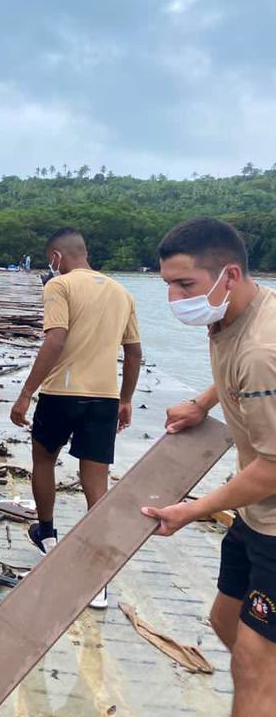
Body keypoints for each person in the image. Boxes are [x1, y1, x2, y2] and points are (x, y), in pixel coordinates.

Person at [143, 218, 276, 716]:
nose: (175, 299)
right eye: (168, 285)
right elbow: (235, 374)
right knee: (226, 621)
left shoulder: (265, 348)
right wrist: (202, 403)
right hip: (256, 514)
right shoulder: (231, 314)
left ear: (230, 275)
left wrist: (193, 509)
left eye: (185, 285)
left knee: (253, 667)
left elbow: (273, 468)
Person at [9, 227, 142, 609]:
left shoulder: (59, 286)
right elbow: (134, 353)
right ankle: (97, 578)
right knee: (96, 482)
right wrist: (126, 399)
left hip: (61, 394)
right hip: (104, 398)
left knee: (43, 460)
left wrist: (25, 393)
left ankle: (47, 535)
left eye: (49, 259)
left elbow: (55, 339)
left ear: (56, 256)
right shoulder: (122, 292)